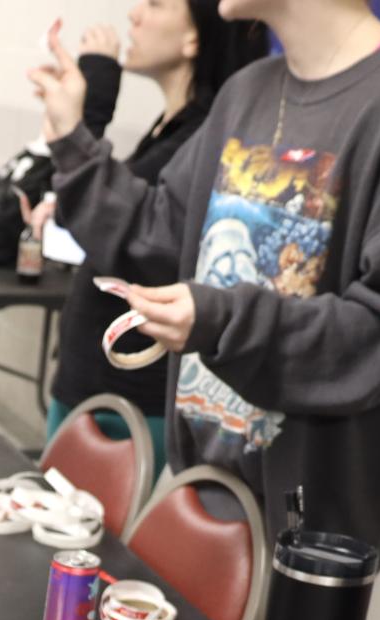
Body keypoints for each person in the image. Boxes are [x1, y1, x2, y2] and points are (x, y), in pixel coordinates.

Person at [29, 0, 380, 563]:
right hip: (199, 491)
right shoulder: (248, 91)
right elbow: (158, 234)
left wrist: (222, 320)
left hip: (307, 538)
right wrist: (73, 138)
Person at [36, 0, 265, 471]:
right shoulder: (171, 128)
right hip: (98, 386)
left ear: (194, 38)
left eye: (156, 4)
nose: (135, 15)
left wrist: (81, 122)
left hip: (131, 401)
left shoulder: (201, 140)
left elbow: (137, 240)